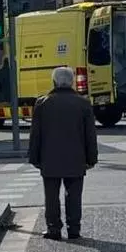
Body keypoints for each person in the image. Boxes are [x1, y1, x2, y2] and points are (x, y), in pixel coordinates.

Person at [28, 66, 98, 241]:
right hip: (76, 157)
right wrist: (92, 158)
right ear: (72, 82)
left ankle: (53, 229)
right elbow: (90, 134)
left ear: (54, 82)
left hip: (49, 158)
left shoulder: (42, 103)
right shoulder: (83, 103)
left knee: (51, 196)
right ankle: (74, 229)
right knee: (74, 195)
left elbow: (35, 134)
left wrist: (34, 157)